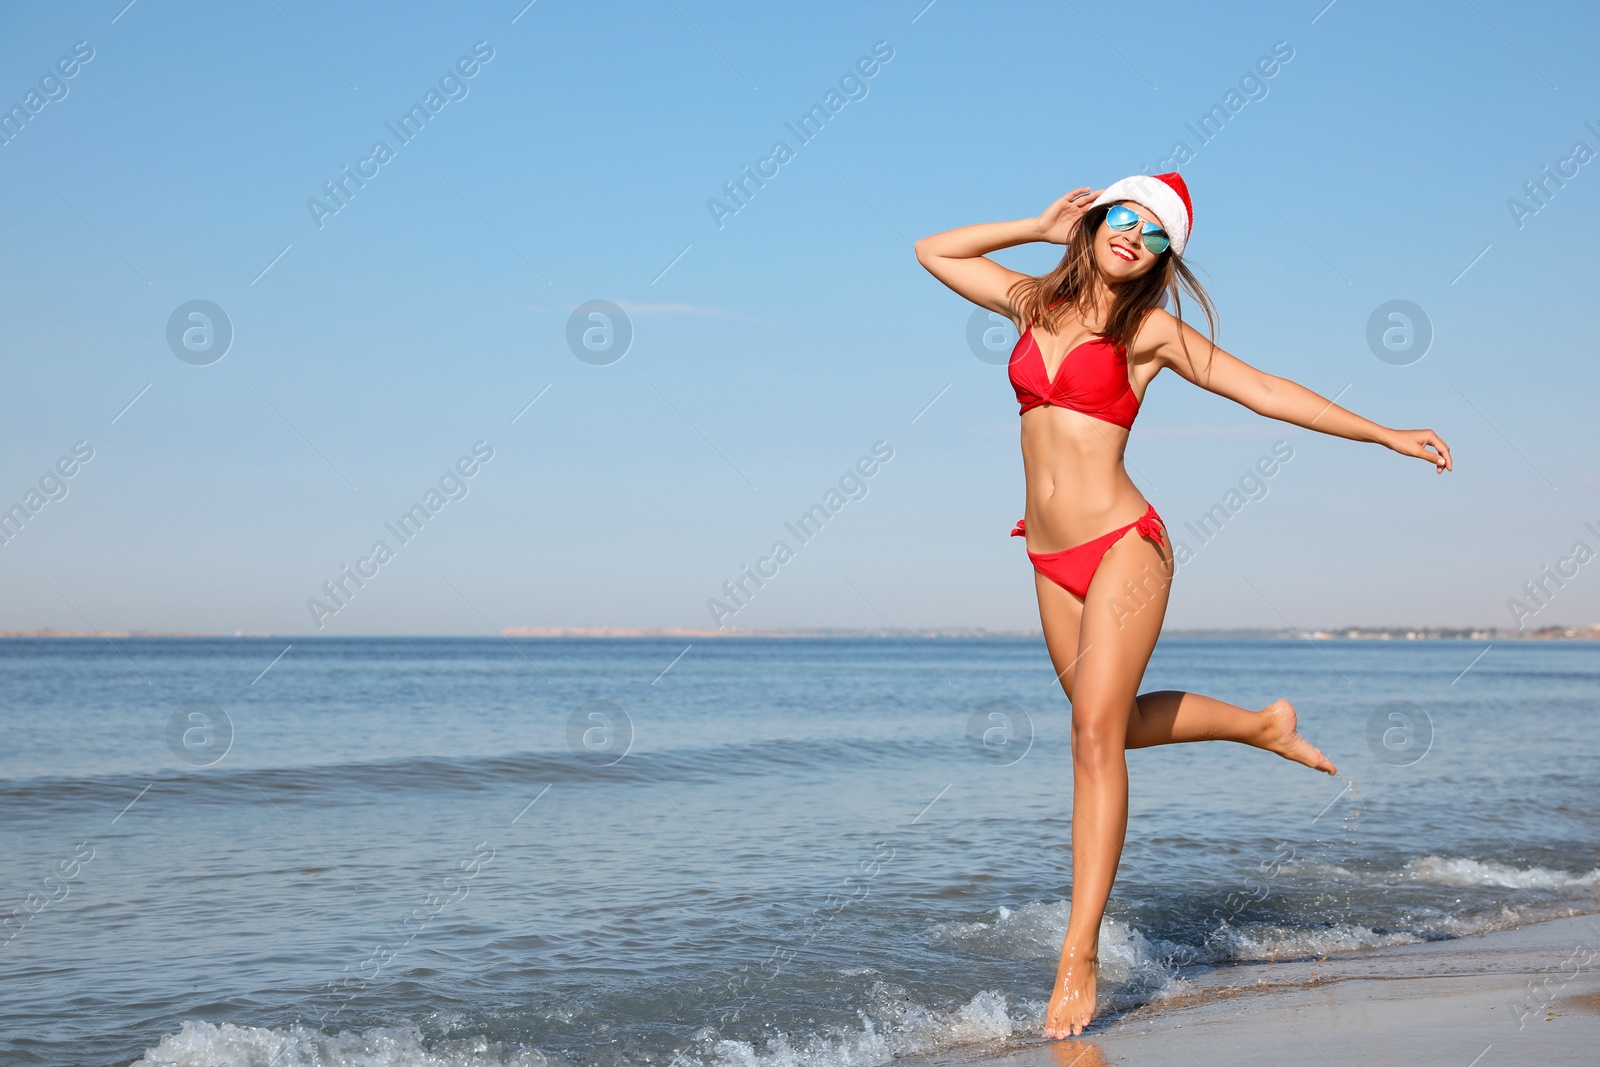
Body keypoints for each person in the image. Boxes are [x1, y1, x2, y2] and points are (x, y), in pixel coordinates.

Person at [913, 173, 1452, 1038]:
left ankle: (1077, 952)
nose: (1134, 235)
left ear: (1165, 257)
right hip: (1049, 555)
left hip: (1127, 544)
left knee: (1091, 737)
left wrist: (1386, 432)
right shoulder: (1028, 302)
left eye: (1156, 232)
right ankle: (1259, 725)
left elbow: (1266, 389)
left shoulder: (1151, 332)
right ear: (1094, 222)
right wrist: (1035, 225)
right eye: (1122, 217)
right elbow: (932, 250)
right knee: (1112, 726)